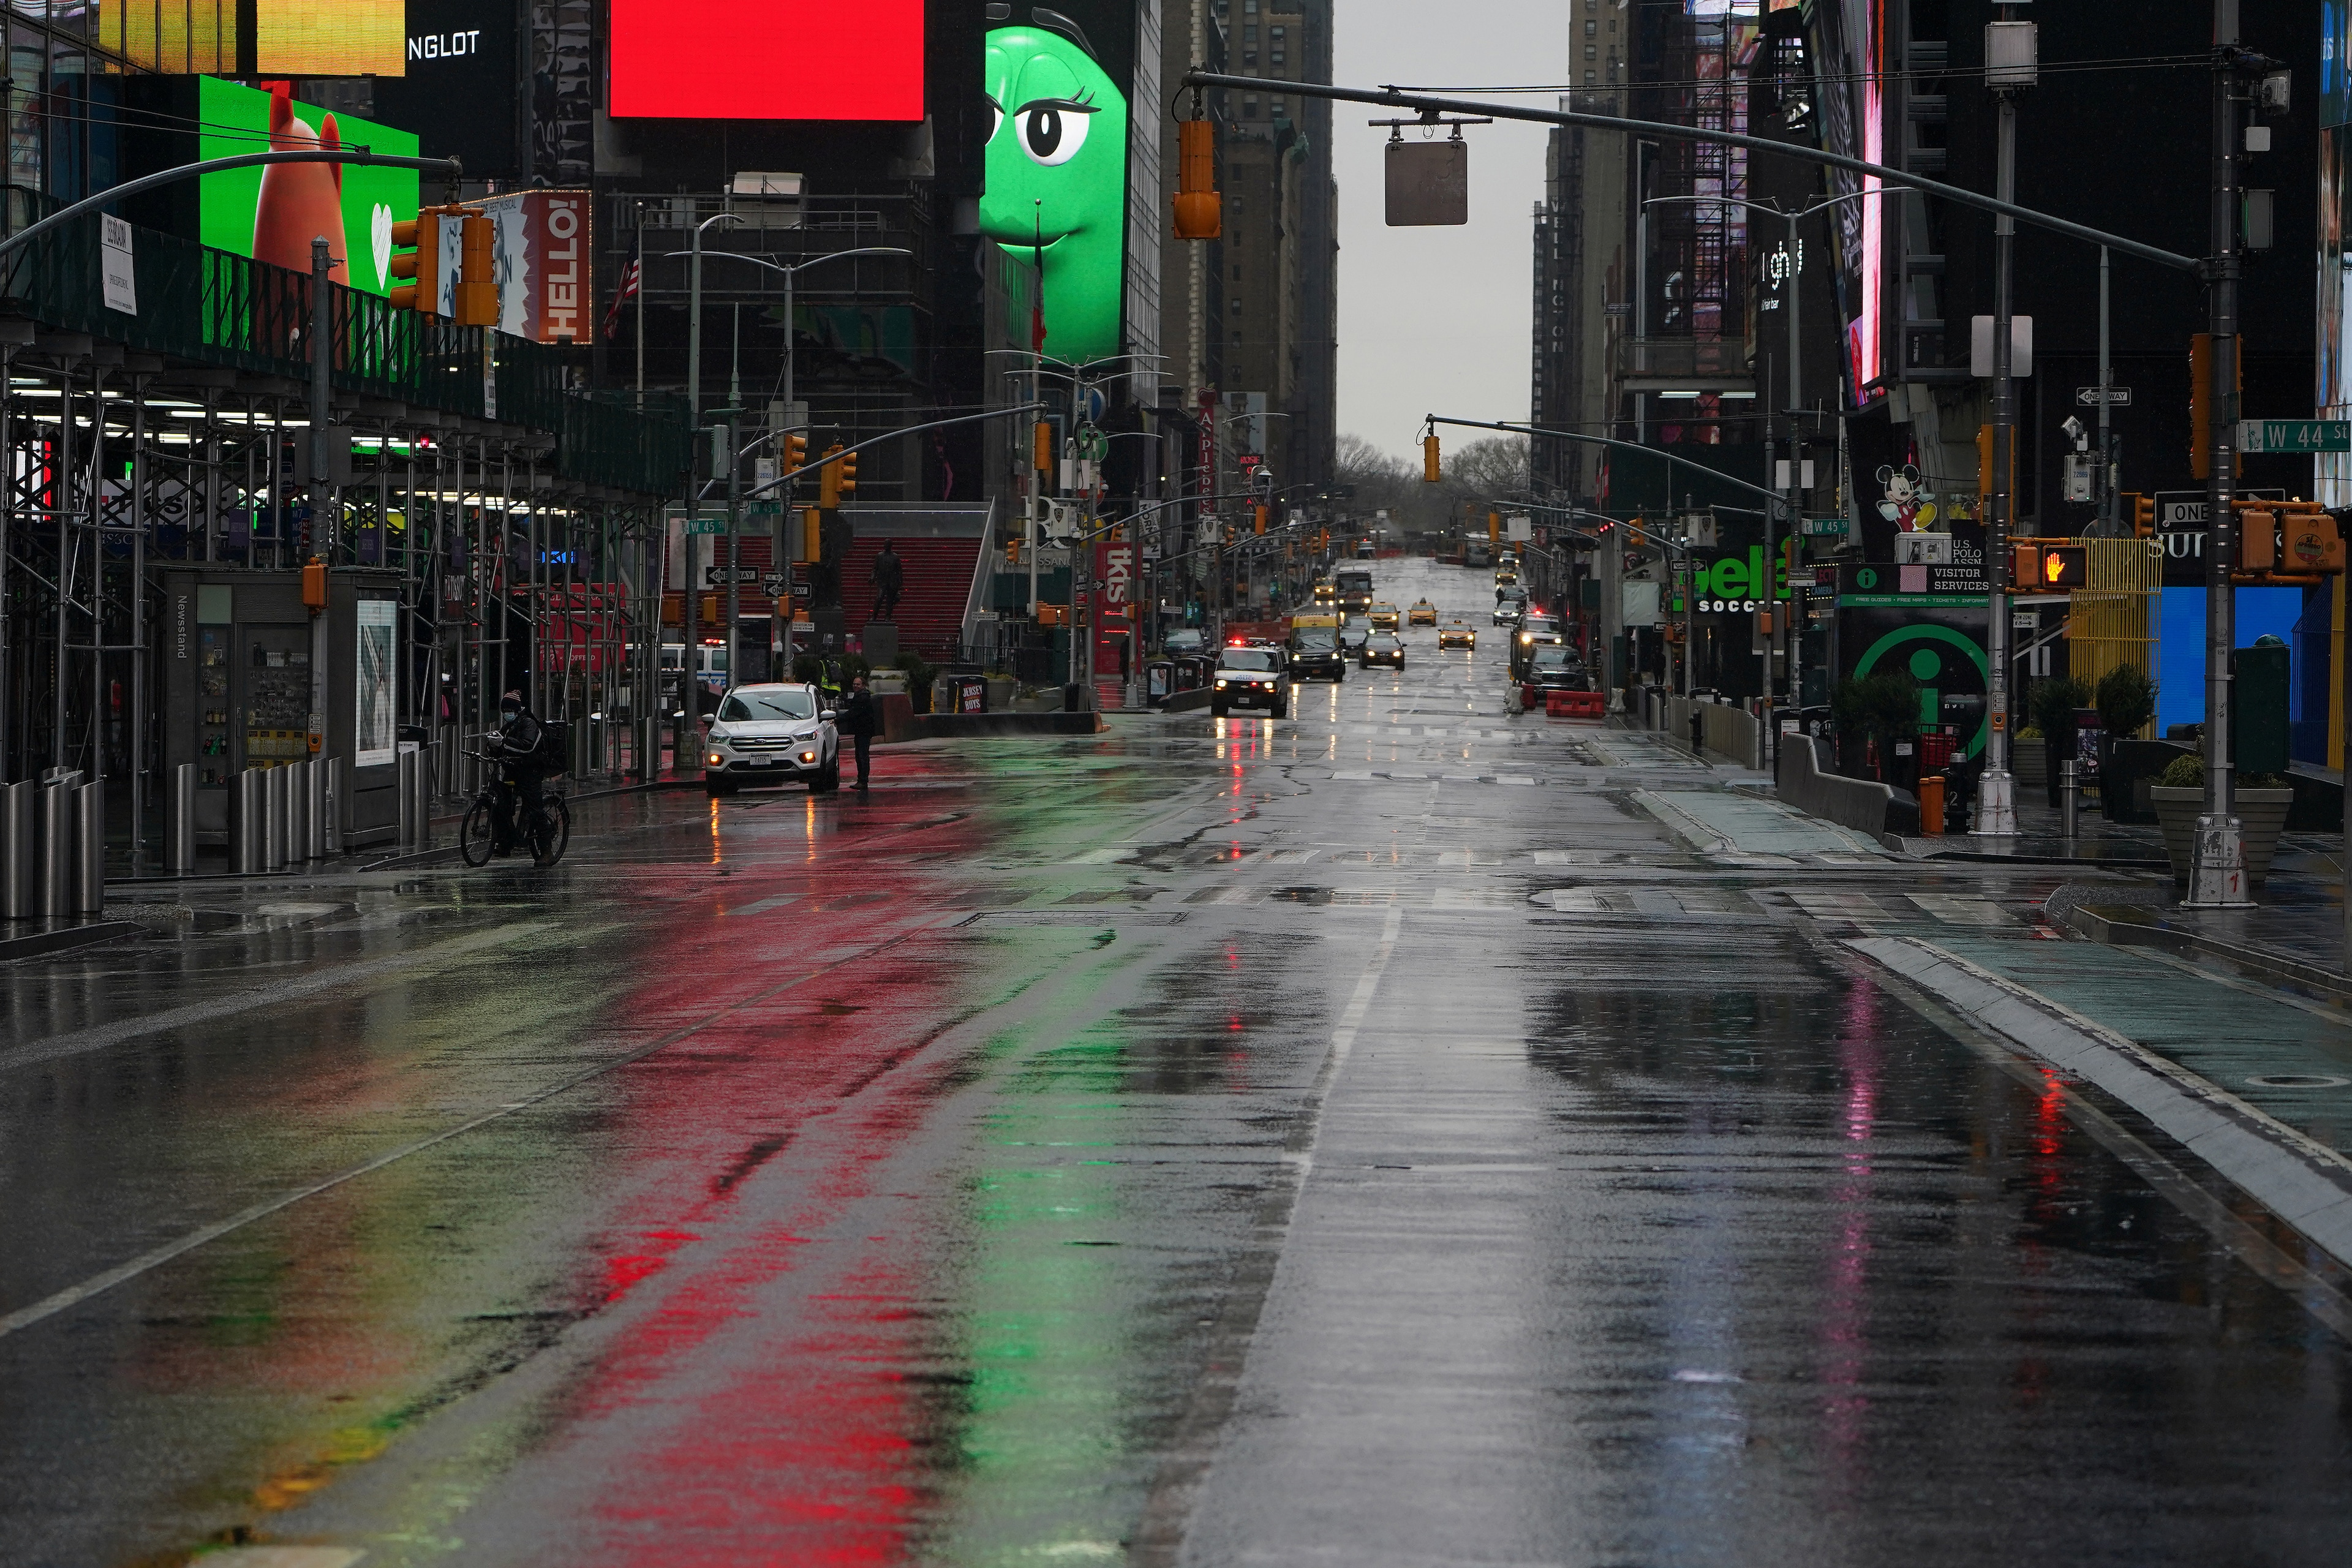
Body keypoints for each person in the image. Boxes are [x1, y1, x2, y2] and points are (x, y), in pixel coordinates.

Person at [484, 690, 554, 859]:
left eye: (509, 711)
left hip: (530, 772)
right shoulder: (509, 726)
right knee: (502, 804)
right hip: (513, 771)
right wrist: (493, 746)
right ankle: (506, 842)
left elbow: (527, 747)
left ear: (517, 709)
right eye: (504, 711)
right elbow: (501, 750)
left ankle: (546, 851)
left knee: (535, 810)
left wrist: (504, 742)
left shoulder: (529, 724)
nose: (507, 714)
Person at [837, 674, 878, 790]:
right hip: (861, 731)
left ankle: (863, 781)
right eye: (854, 684)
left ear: (863, 685)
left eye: (858, 684)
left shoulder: (863, 698)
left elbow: (853, 712)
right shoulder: (860, 697)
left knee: (862, 756)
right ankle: (862, 780)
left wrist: (837, 720)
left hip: (864, 732)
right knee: (860, 756)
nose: (856, 686)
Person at [870, 539, 905, 621]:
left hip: (891, 582)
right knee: (879, 599)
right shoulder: (879, 556)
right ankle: (874, 616)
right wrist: (872, 577)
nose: (886, 546)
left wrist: (900, 582)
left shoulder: (895, 557)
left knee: (890, 600)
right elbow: (875, 569)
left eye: (887, 545)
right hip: (882, 581)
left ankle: (888, 617)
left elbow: (899, 570)